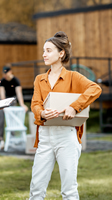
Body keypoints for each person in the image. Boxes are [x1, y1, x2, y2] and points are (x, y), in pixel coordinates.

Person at [29, 31, 102, 200]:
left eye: (48, 50)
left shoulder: (73, 77)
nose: (43, 54)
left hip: (67, 136)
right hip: (45, 137)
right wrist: (42, 113)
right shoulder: (39, 79)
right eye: (43, 50)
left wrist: (74, 107)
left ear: (61, 53)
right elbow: (35, 104)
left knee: (69, 190)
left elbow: (95, 89)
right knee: (36, 189)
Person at [0, 66, 28, 149]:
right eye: (4, 73)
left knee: (12, 120)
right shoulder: (2, 81)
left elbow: (19, 93)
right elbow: (2, 95)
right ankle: (0, 139)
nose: (5, 75)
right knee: (1, 120)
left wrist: (22, 104)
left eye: (6, 73)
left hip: (12, 101)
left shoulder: (16, 80)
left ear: (10, 72)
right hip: (3, 101)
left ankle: (12, 138)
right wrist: (3, 106)